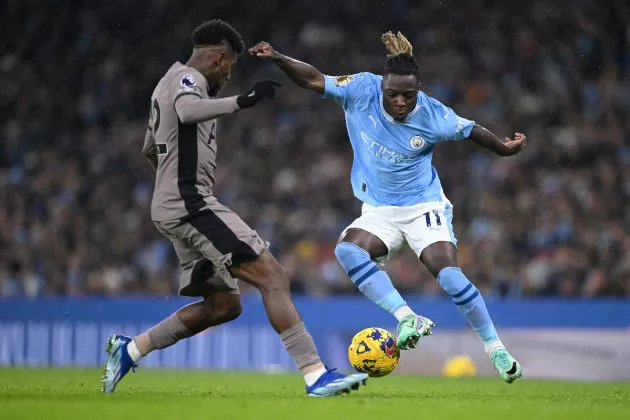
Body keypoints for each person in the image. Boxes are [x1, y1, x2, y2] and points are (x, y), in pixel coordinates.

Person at [101, 19, 368, 397]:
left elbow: (149, 148)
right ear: (217, 58)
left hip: (172, 206)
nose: (228, 76)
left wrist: (171, 184)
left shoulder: (165, 83)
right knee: (273, 276)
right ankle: (315, 375)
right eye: (230, 67)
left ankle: (130, 349)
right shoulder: (188, 81)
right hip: (190, 203)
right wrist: (243, 101)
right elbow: (190, 110)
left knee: (224, 305)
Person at [250, 31, 526, 383]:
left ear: (418, 90)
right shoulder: (361, 88)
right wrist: (277, 57)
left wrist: (502, 148)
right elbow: (314, 79)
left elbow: (471, 130)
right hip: (379, 209)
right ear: (381, 86)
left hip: (423, 205)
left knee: (449, 276)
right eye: (392, 94)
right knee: (348, 251)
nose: (399, 101)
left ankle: (495, 348)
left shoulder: (431, 113)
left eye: (408, 96)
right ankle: (407, 317)